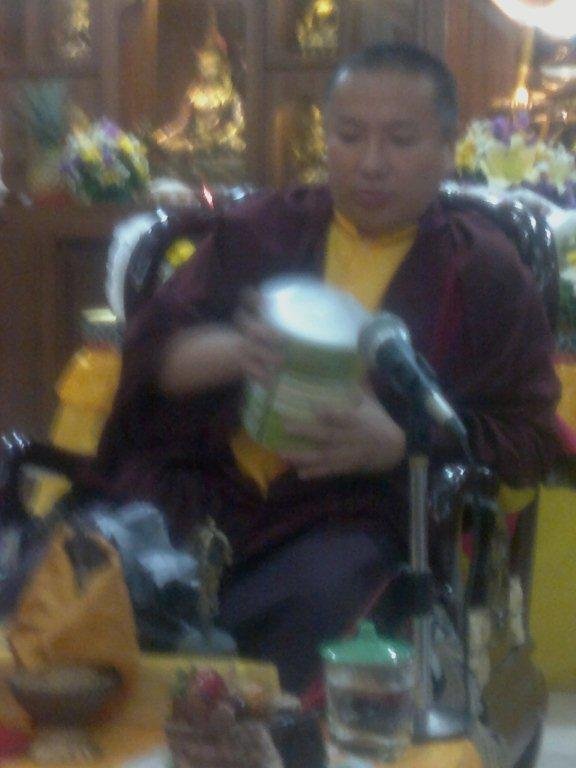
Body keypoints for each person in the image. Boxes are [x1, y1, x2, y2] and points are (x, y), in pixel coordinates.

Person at [96, 42, 561, 694]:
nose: (371, 163)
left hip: (345, 518)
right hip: (201, 489)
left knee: (324, 598)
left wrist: (402, 444)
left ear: (446, 147)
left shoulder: (482, 272)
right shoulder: (263, 231)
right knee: (92, 575)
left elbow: (526, 438)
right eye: (349, 135)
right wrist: (237, 350)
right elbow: (154, 361)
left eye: (401, 140)